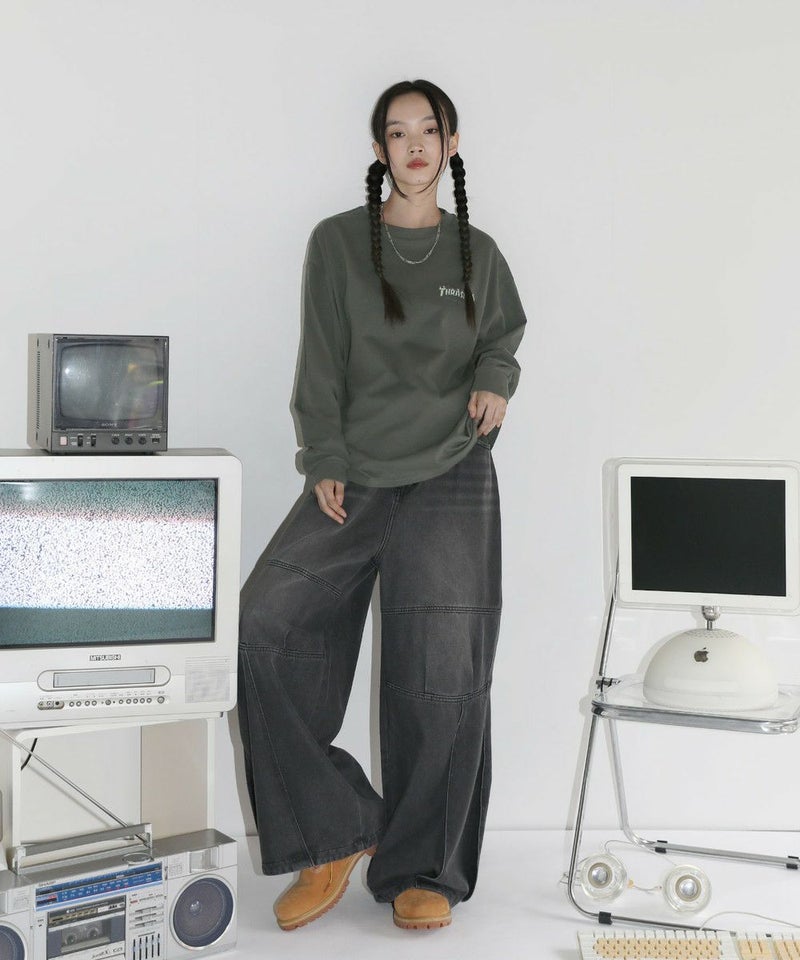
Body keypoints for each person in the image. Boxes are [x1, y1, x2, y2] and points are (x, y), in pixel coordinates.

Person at [237, 79, 526, 932]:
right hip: (354, 475)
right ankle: (335, 832)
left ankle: (422, 869)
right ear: (378, 150)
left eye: (428, 131)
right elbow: (322, 359)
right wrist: (325, 456)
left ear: (451, 143)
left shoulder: (478, 253)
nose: (414, 146)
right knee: (265, 624)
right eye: (397, 134)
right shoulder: (337, 243)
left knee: (444, 677)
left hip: (452, 476)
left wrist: (495, 379)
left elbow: (503, 334)